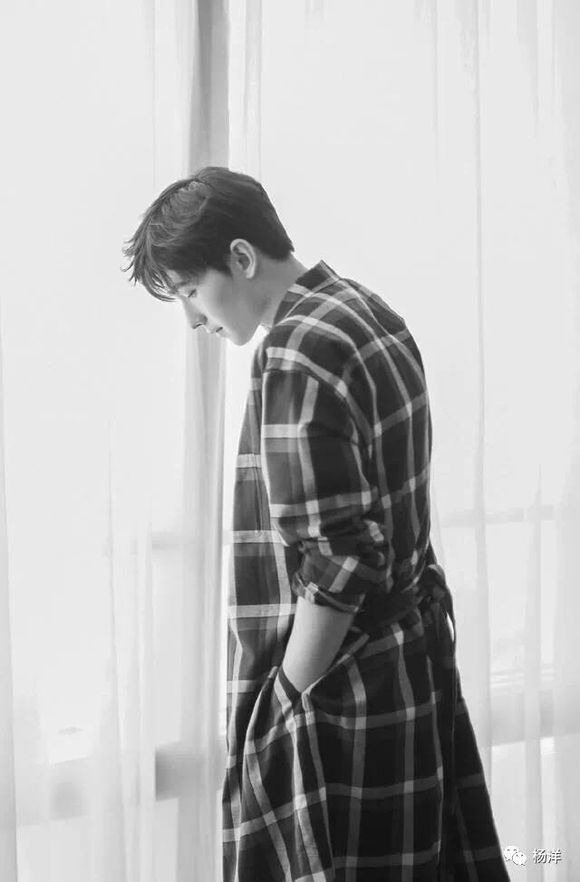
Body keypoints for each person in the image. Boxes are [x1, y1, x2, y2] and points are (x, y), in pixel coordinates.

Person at [122, 167, 509, 881]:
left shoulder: (296, 351)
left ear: (242, 258)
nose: (195, 320)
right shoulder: (367, 310)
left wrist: (284, 700)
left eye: (191, 292)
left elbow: (340, 563)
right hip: (407, 665)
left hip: (345, 694)